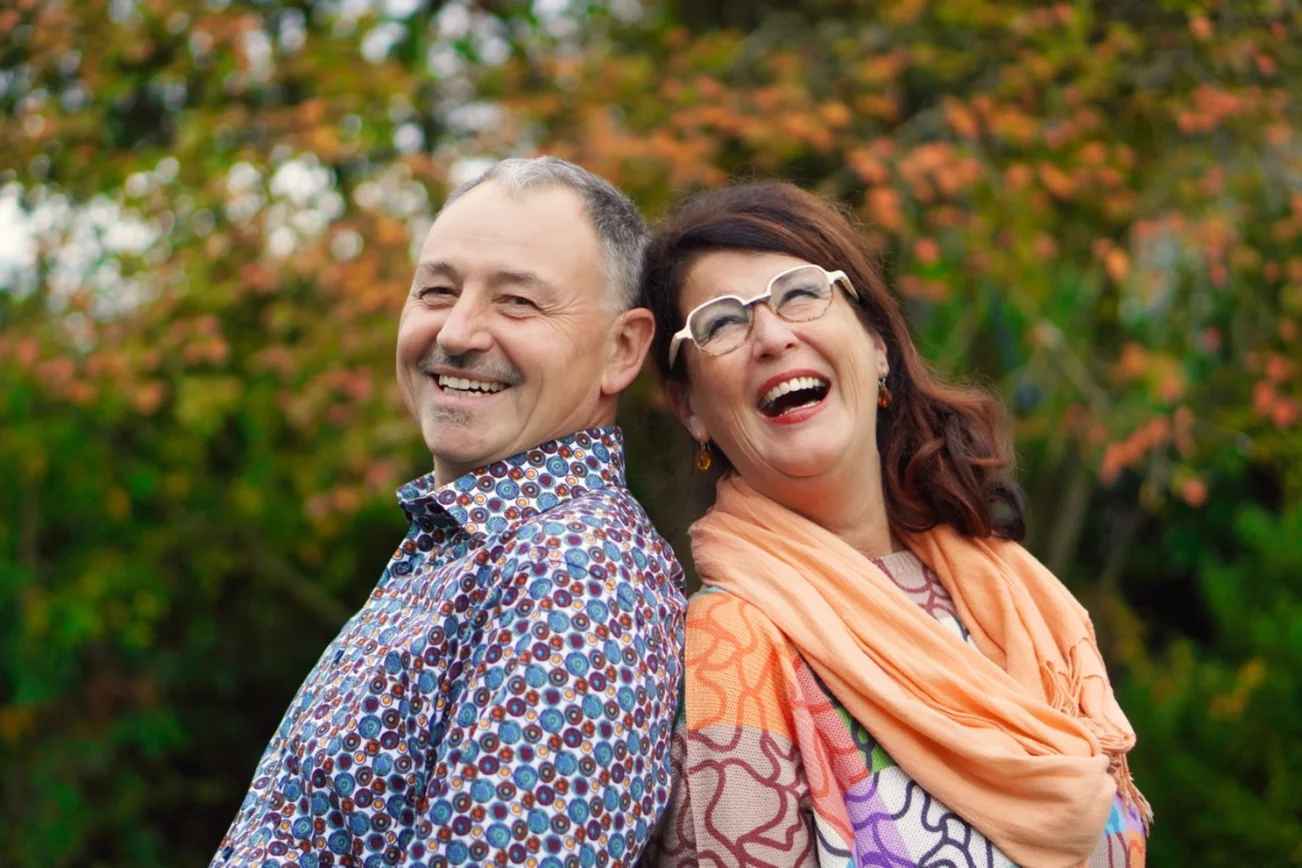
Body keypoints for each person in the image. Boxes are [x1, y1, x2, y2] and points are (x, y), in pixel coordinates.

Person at [638, 183, 1150, 868]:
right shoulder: (732, 648)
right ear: (692, 408)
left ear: (878, 347)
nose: (772, 335)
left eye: (800, 292)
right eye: (722, 323)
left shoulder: (1019, 599)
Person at [212, 157, 686, 868]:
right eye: (437, 290)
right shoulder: (468, 547)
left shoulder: (578, 572)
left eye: (517, 303)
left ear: (622, 349)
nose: (459, 332)